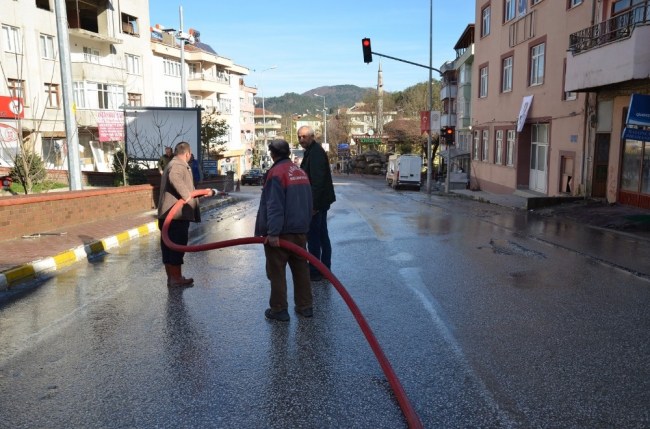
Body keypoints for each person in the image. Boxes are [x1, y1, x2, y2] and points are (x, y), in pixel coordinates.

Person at [255, 139, 313, 321]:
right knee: (301, 269)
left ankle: (279, 309)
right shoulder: (300, 171)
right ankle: (305, 306)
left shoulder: (276, 173)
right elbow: (308, 201)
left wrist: (272, 233)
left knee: (277, 272)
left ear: (273, 154)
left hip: (281, 234)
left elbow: (274, 206)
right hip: (300, 231)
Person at [158, 142, 216, 287]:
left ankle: (172, 278)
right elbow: (175, 178)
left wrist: (197, 195)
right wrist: (187, 196)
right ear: (188, 153)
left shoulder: (171, 163)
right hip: (176, 216)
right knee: (176, 247)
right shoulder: (178, 165)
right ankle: (176, 278)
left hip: (167, 216)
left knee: (168, 248)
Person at [298, 125, 336, 281]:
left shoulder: (315, 153)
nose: (301, 140)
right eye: (299, 137)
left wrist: (313, 206)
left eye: (304, 137)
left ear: (312, 137)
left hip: (317, 203)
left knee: (315, 237)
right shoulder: (311, 152)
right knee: (320, 235)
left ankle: (315, 270)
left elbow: (317, 182)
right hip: (320, 202)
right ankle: (324, 268)